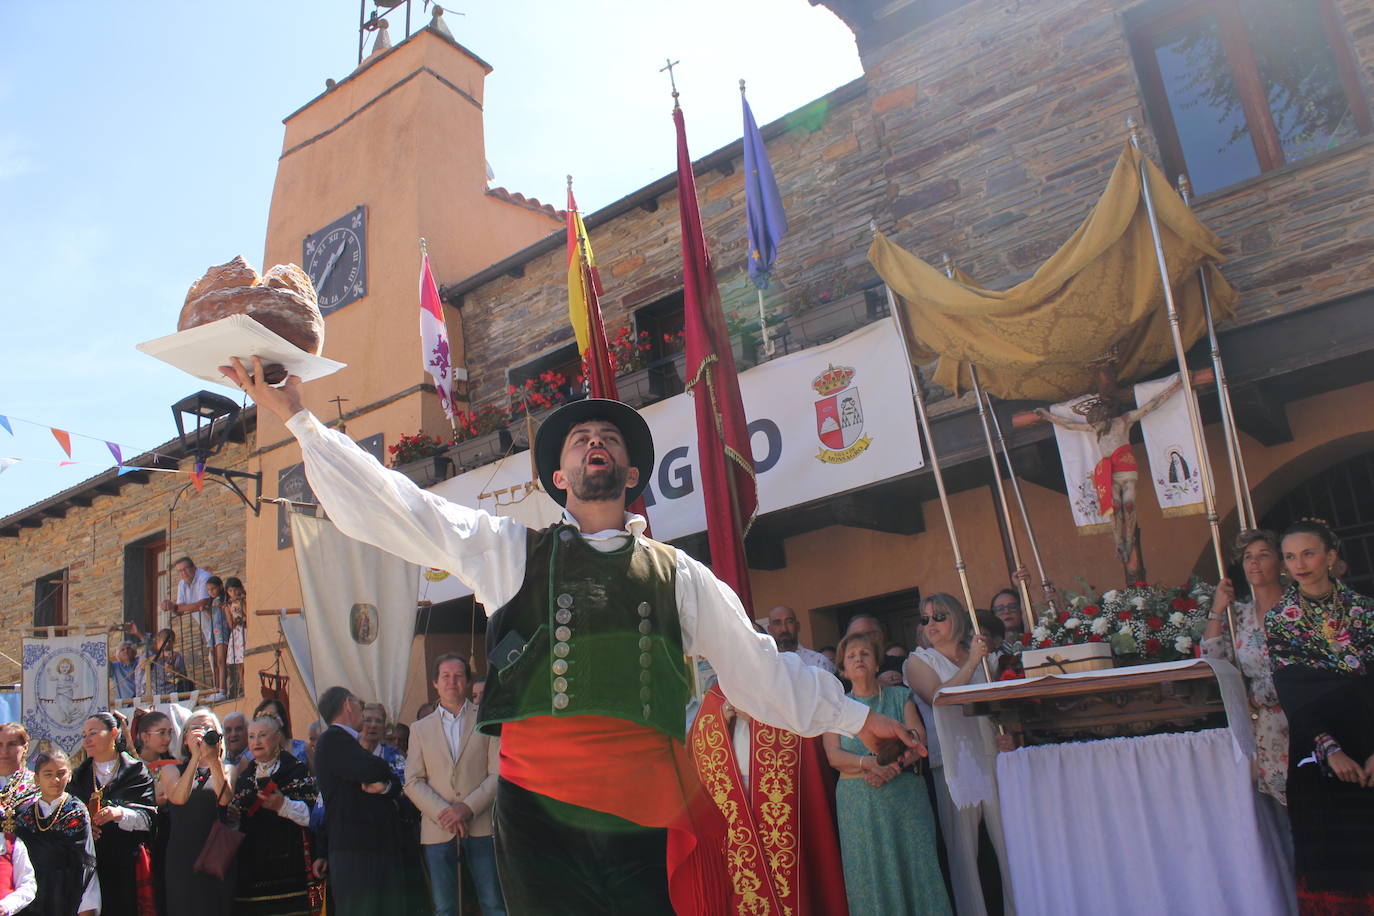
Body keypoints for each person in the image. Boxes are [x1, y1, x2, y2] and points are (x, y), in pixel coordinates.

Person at [222, 362, 917, 915]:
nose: (595, 443)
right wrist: (301, 420)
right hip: (539, 817)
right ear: (558, 477)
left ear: (633, 474)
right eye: (581, 439)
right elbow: (411, 513)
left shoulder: (680, 576)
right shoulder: (511, 553)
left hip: (644, 812)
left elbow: (762, 673)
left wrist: (862, 718)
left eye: (610, 439)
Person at [1267, 518, 1374, 913]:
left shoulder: (1365, 612)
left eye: (1309, 553)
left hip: (1369, 734)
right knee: (1335, 857)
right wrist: (1331, 750)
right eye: (1291, 556)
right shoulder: (1281, 619)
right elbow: (1293, 691)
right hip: (1318, 746)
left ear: (1330, 556)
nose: (1300, 564)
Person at [825, 631, 951, 915]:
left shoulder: (900, 695)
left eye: (865, 653)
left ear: (878, 663)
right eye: (851, 655)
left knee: (917, 868)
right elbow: (833, 755)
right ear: (843, 669)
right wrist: (866, 764)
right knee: (870, 873)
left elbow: (917, 736)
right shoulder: (836, 707)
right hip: (859, 803)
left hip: (904, 797)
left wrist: (893, 767)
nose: (859, 659)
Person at [905, 594, 1016, 916]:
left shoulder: (984, 657)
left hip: (991, 756)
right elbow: (940, 698)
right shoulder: (919, 661)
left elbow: (1000, 706)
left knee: (1009, 845)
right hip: (952, 761)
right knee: (963, 854)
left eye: (938, 616)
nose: (931, 624)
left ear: (956, 617)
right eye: (925, 619)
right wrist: (971, 663)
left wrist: (1008, 732)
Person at [1034, 375, 1181, 579]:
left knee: (1129, 506)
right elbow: (1068, 425)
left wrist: (1175, 386)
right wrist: (1048, 417)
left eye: (1098, 423)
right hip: (1109, 472)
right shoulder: (1095, 427)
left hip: (1126, 468)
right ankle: (1119, 543)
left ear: (1104, 417)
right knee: (1113, 508)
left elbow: (1151, 405)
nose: (1096, 428)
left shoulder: (1124, 421)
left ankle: (1129, 540)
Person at [405, 654, 504, 916]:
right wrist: (445, 813)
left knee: (493, 902)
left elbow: (498, 773)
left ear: (468, 682)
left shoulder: (487, 720)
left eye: (459, 675)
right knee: (444, 907)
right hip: (438, 828)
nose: (452, 681)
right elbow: (413, 781)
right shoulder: (419, 729)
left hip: (481, 826)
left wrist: (466, 808)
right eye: (446, 676)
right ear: (435, 683)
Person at [1204, 529, 1291, 806]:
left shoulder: (1296, 607)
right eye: (1248, 557)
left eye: (1263, 555)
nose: (1254, 563)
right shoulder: (1240, 614)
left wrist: (1258, 697)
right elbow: (1213, 655)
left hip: (1299, 712)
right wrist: (1217, 609)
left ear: (1280, 561)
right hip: (1266, 725)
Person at [312, 686, 404, 916]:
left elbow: (392, 782)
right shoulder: (333, 739)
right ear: (347, 705)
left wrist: (386, 784)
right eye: (358, 704)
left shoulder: (347, 742)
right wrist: (384, 772)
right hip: (355, 850)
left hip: (374, 847)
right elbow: (372, 768)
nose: (361, 709)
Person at [230, 714, 324, 916]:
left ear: (277, 738)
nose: (256, 742)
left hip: (291, 868)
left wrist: (284, 805)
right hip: (252, 870)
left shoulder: (296, 771)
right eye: (252, 736)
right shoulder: (245, 778)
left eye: (263, 735)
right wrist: (234, 816)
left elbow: (312, 816)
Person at [71, 711, 156, 916]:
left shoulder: (135, 771)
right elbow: (69, 816)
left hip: (125, 860)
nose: (87, 740)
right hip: (91, 862)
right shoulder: (79, 776)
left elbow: (150, 818)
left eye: (92, 733)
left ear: (113, 733)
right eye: (84, 735)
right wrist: (85, 829)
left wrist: (119, 813)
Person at [163, 708, 234, 916]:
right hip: (182, 855)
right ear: (185, 738)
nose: (202, 733)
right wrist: (195, 758)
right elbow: (178, 798)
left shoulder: (228, 768)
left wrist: (213, 760)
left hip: (216, 853)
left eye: (208, 729)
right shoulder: (171, 769)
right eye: (196, 728)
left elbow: (225, 798)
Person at [13, 749, 99, 916]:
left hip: (68, 893)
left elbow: (86, 860)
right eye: (48, 774)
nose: (55, 780)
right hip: (34, 895)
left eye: (61, 773)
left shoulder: (76, 811)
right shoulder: (26, 816)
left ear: (70, 775)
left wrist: (87, 906)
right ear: (37, 778)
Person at [133, 710, 177, 916]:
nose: (167, 738)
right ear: (144, 736)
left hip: (168, 838)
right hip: (140, 840)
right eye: (161, 732)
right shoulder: (130, 767)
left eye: (170, 732)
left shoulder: (174, 765)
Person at [161, 556, 220, 690]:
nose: (183, 573)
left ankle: (221, 689)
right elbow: (180, 610)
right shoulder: (182, 584)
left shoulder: (203, 577)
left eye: (185, 569)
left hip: (218, 622)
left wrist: (175, 607)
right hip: (207, 627)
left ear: (193, 567)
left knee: (219, 658)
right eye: (180, 571)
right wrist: (171, 607)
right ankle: (219, 689)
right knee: (213, 658)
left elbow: (202, 603)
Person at [766, 605, 835, 673]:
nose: (784, 629)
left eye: (789, 622)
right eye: (777, 623)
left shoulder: (819, 662)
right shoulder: (765, 664)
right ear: (769, 629)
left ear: (797, 626)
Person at [253, 699, 309, 766]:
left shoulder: (303, 748)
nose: (268, 722)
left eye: (272, 716)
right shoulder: (257, 756)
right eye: (264, 718)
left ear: (282, 718)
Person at [359, 703, 405, 781]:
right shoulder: (349, 753)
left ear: (383, 727)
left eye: (378, 721)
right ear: (358, 724)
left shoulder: (395, 756)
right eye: (368, 720)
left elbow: (403, 783)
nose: (373, 725)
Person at [0, 723, 36, 814]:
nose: (4, 751)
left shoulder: (37, 783)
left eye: (12, 744)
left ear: (25, 747)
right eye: (0, 745)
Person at [140, 628, 188, 696]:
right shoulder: (149, 653)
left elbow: (183, 677)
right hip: (152, 695)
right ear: (158, 640)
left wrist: (173, 670)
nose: (168, 644)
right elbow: (142, 665)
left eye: (170, 641)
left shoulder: (177, 656)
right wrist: (163, 654)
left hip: (171, 694)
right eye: (165, 641)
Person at [205, 576, 231, 695]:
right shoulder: (213, 602)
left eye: (213, 589)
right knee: (214, 660)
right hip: (214, 633)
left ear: (220, 586)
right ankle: (216, 688)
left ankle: (222, 689)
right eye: (208, 590)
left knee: (221, 660)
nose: (211, 592)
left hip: (222, 631)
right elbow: (214, 619)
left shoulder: (223, 600)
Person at [224, 577, 249, 699]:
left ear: (241, 589)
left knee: (245, 662)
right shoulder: (229, 604)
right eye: (230, 591)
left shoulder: (244, 600)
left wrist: (241, 603)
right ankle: (244, 688)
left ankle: (248, 687)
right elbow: (231, 624)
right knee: (239, 664)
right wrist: (227, 611)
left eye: (235, 590)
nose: (233, 593)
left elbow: (248, 615)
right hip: (236, 634)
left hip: (245, 631)